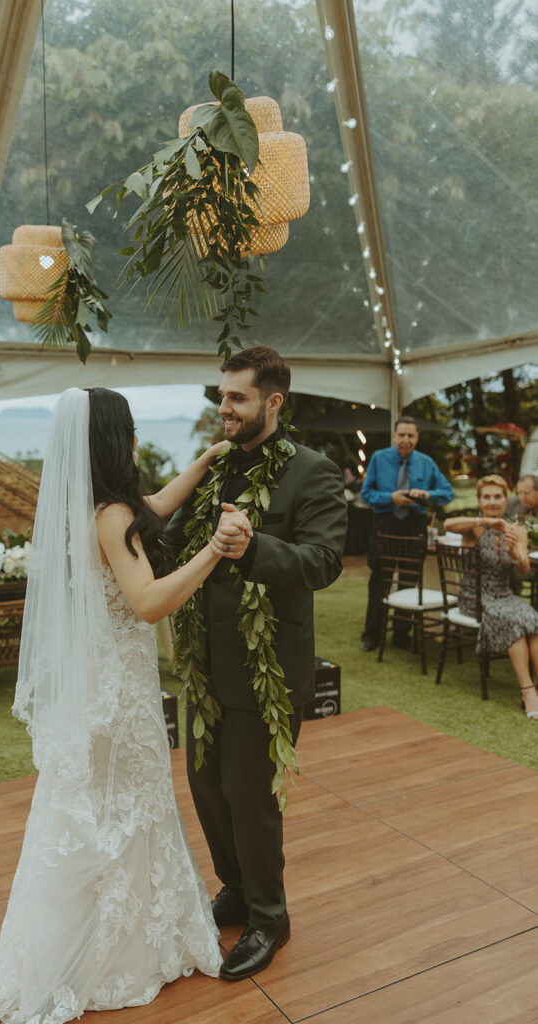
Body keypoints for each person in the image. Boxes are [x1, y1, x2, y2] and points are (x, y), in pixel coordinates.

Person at [0, 387, 253, 1022]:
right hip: (120, 700)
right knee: (126, 813)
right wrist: (216, 551)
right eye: (131, 430)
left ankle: (86, 939)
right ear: (116, 439)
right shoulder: (111, 514)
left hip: (99, 687)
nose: (137, 440)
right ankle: (115, 952)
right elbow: (147, 601)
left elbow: (151, 511)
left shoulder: (83, 508)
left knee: (94, 812)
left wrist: (201, 464)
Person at [166, 346, 347, 983]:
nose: (225, 409)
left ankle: (270, 915)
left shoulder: (315, 473)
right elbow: (178, 539)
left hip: (266, 667)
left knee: (251, 799)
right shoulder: (216, 469)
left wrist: (254, 547)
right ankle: (237, 888)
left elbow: (322, 563)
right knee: (206, 788)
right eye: (222, 397)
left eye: (237, 398)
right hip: (203, 662)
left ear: (273, 401)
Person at [444, 474, 538, 720]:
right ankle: (527, 691)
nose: (493, 501)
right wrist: (486, 520)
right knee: (514, 622)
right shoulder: (474, 526)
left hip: (504, 593)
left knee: (534, 620)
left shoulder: (517, 529)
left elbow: (525, 570)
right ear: (479, 500)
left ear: (507, 500)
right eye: (487, 497)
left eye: (498, 496)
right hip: (475, 595)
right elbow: (447, 525)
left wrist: (515, 554)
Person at [359, 417, 454, 652]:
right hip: (385, 523)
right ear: (394, 436)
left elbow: (447, 493)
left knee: (409, 580)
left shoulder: (426, 462)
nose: (406, 440)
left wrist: (427, 495)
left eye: (410, 436)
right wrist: (390, 497)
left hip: (414, 524)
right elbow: (366, 494)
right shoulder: (379, 458)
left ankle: (401, 634)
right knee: (381, 579)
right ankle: (372, 634)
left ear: (417, 438)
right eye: (401, 435)